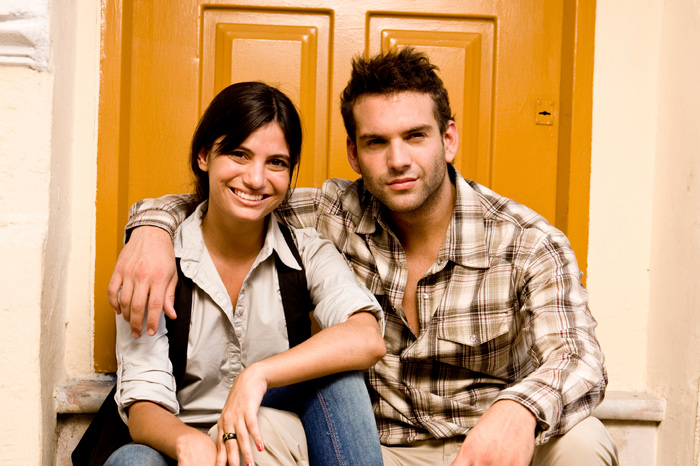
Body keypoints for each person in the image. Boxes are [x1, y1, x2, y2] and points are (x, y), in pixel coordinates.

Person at [110, 48, 618, 465]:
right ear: (354, 153)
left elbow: (579, 358)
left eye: (415, 136)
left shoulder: (526, 240)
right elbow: (237, 198)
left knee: (584, 440)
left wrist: (520, 410)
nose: (398, 159)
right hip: (377, 450)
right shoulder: (335, 212)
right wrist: (151, 228)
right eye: (377, 142)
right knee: (252, 430)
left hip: (491, 445)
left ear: (448, 138)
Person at [76, 81, 386, 466]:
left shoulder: (306, 250)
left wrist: (256, 375)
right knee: (132, 461)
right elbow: (142, 407)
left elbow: (367, 337)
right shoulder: (154, 260)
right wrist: (193, 444)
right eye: (239, 155)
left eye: (277, 162)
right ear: (204, 156)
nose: (256, 179)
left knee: (340, 380)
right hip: (177, 441)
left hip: (265, 435)